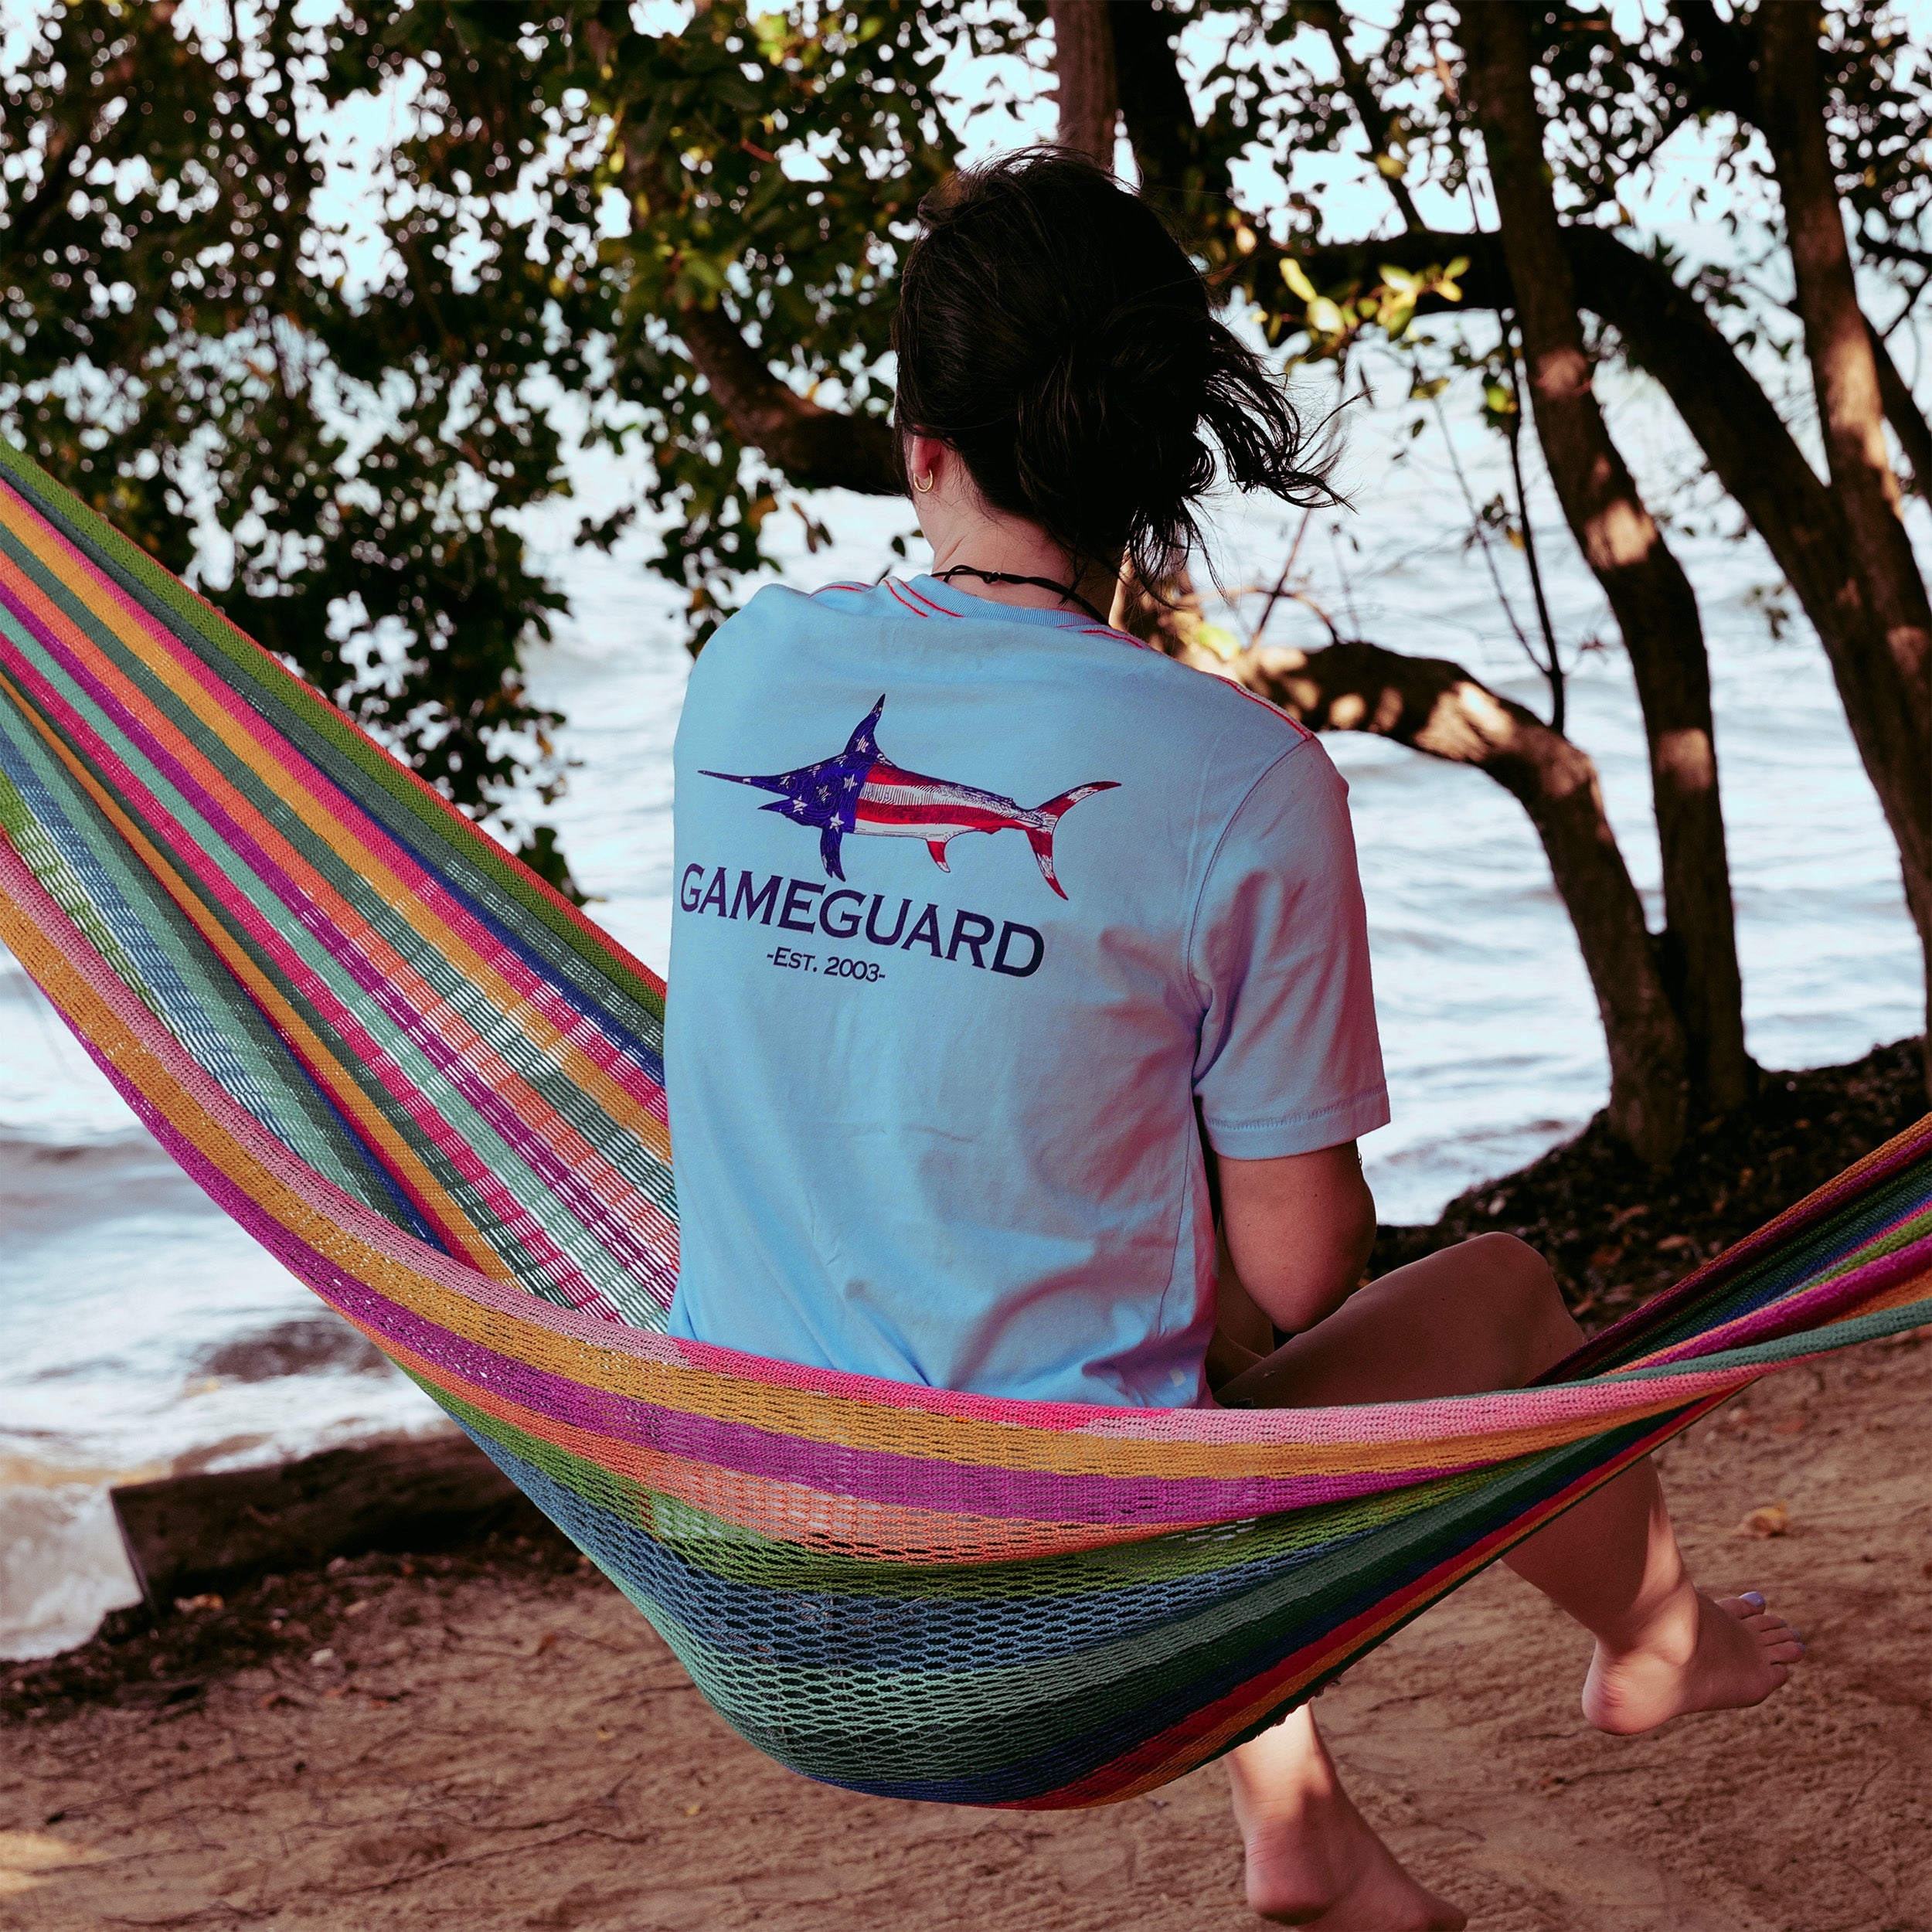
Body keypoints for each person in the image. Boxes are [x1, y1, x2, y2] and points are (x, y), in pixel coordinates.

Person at [663, 148, 1802, 1930]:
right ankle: (1654, 1639)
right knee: (1479, 1290)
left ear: (919, 450)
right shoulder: (1240, 776)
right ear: (1156, 474)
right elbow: (1300, 1267)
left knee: (1086, 1285)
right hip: (1059, 1615)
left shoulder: (740, 674)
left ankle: (1303, 1828)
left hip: (746, 1557)